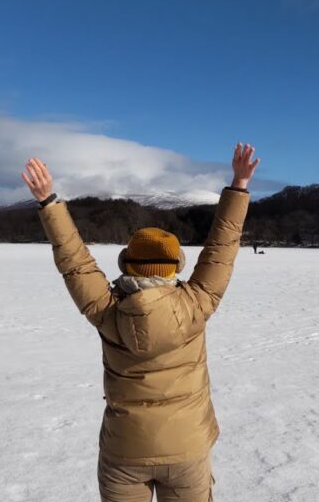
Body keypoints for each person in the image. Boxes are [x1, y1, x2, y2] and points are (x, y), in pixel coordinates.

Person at [21, 143, 259, 502]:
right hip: (187, 449)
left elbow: (75, 262)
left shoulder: (106, 310)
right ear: (175, 267)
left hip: (124, 452)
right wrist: (239, 186)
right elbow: (221, 249)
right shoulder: (197, 304)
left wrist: (48, 201)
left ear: (127, 265)